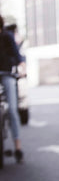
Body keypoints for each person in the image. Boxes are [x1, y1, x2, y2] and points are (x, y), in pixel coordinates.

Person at [0, 15, 25, 163]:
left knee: (13, 110)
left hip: (7, 75)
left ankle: (18, 147)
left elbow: (17, 56)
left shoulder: (7, 37)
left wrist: (22, 68)